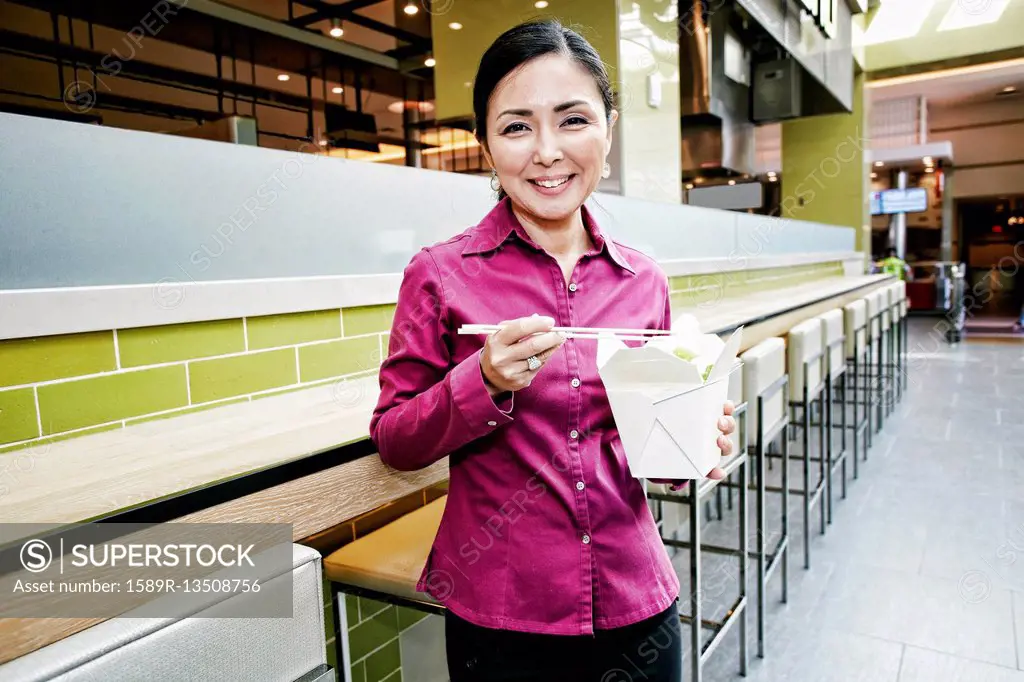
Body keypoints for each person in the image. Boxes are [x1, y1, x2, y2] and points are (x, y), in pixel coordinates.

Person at [369, 19, 735, 682]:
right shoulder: (440, 274)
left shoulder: (642, 278)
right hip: (501, 615)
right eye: (515, 126)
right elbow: (395, 440)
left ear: (608, 128)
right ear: (484, 142)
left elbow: (651, 458)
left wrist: (690, 441)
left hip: (634, 603)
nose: (546, 152)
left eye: (572, 120)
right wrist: (481, 380)